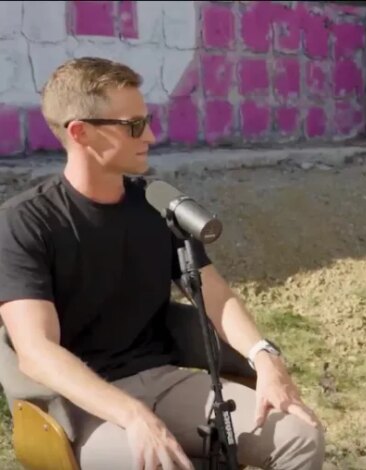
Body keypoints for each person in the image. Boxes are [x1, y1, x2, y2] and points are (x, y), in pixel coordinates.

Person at [0, 57, 324, 469]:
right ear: (81, 133)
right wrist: (133, 416)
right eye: (133, 125)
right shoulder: (24, 222)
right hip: (83, 404)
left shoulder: (156, 204)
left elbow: (216, 295)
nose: (150, 135)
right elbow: (36, 351)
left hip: (163, 379)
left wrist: (264, 356)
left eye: (147, 120)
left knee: (300, 435)